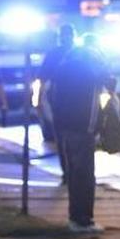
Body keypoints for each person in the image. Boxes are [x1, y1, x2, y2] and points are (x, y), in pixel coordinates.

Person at [51, 34, 112, 235]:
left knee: (77, 175)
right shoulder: (86, 71)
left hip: (68, 128)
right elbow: (107, 82)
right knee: (84, 177)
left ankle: (78, 218)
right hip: (82, 129)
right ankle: (82, 220)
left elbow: (52, 97)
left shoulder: (64, 69)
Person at [39, 24, 76, 182]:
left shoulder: (78, 53)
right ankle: (69, 173)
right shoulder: (56, 54)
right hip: (61, 101)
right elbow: (42, 78)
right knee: (63, 138)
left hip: (70, 101)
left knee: (67, 139)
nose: (66, 38)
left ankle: (70, 172)